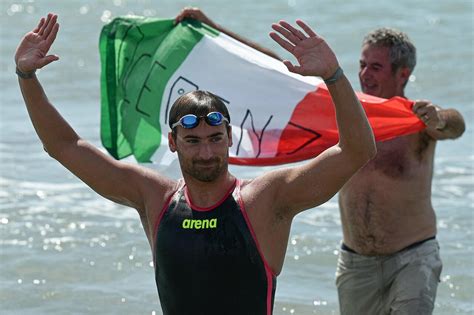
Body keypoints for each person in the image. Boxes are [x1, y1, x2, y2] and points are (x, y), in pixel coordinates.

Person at [15, 13, 376, 315]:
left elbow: (357, 151)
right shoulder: (154, 198)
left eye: (215, 139)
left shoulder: (265, 200)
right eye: (193, 141)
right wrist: (27, 78)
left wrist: (334, 77)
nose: (206, 153)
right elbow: (64, 146)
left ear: (230, 138)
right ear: (173, 142)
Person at [175, 7, 466, 314]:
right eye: (362, 65)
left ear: (402, 74)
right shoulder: (346, 112)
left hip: (412, 258)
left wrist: (439, 119)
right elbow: (273, 72)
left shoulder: (416, 121)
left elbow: (455, 125)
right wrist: (213, 29)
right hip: (356, 263)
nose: (365, 74)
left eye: (376, 67)